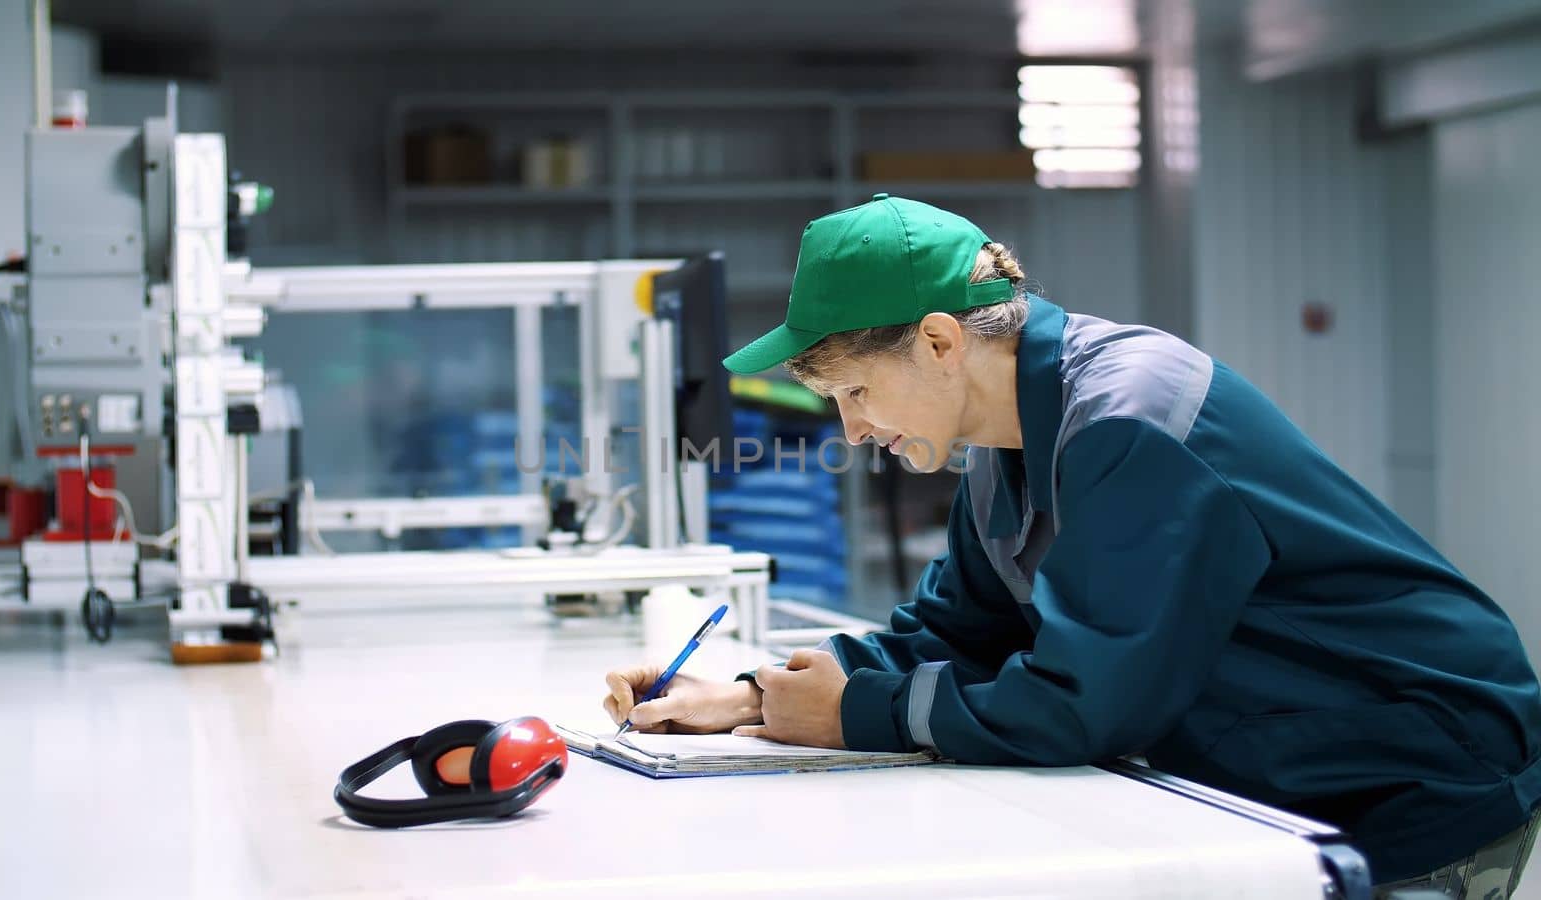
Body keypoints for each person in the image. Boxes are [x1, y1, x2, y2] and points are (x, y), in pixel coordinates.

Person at [601, 194, 1541, 896]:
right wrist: (750, 695)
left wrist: (855, 716)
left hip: (1411, 768)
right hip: (1277, 767)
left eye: (854, 392)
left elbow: (1088, 707)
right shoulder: (1003, 440)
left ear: (937, 342)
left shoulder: (1132, 418)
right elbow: (952, 631)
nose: (850, 431)